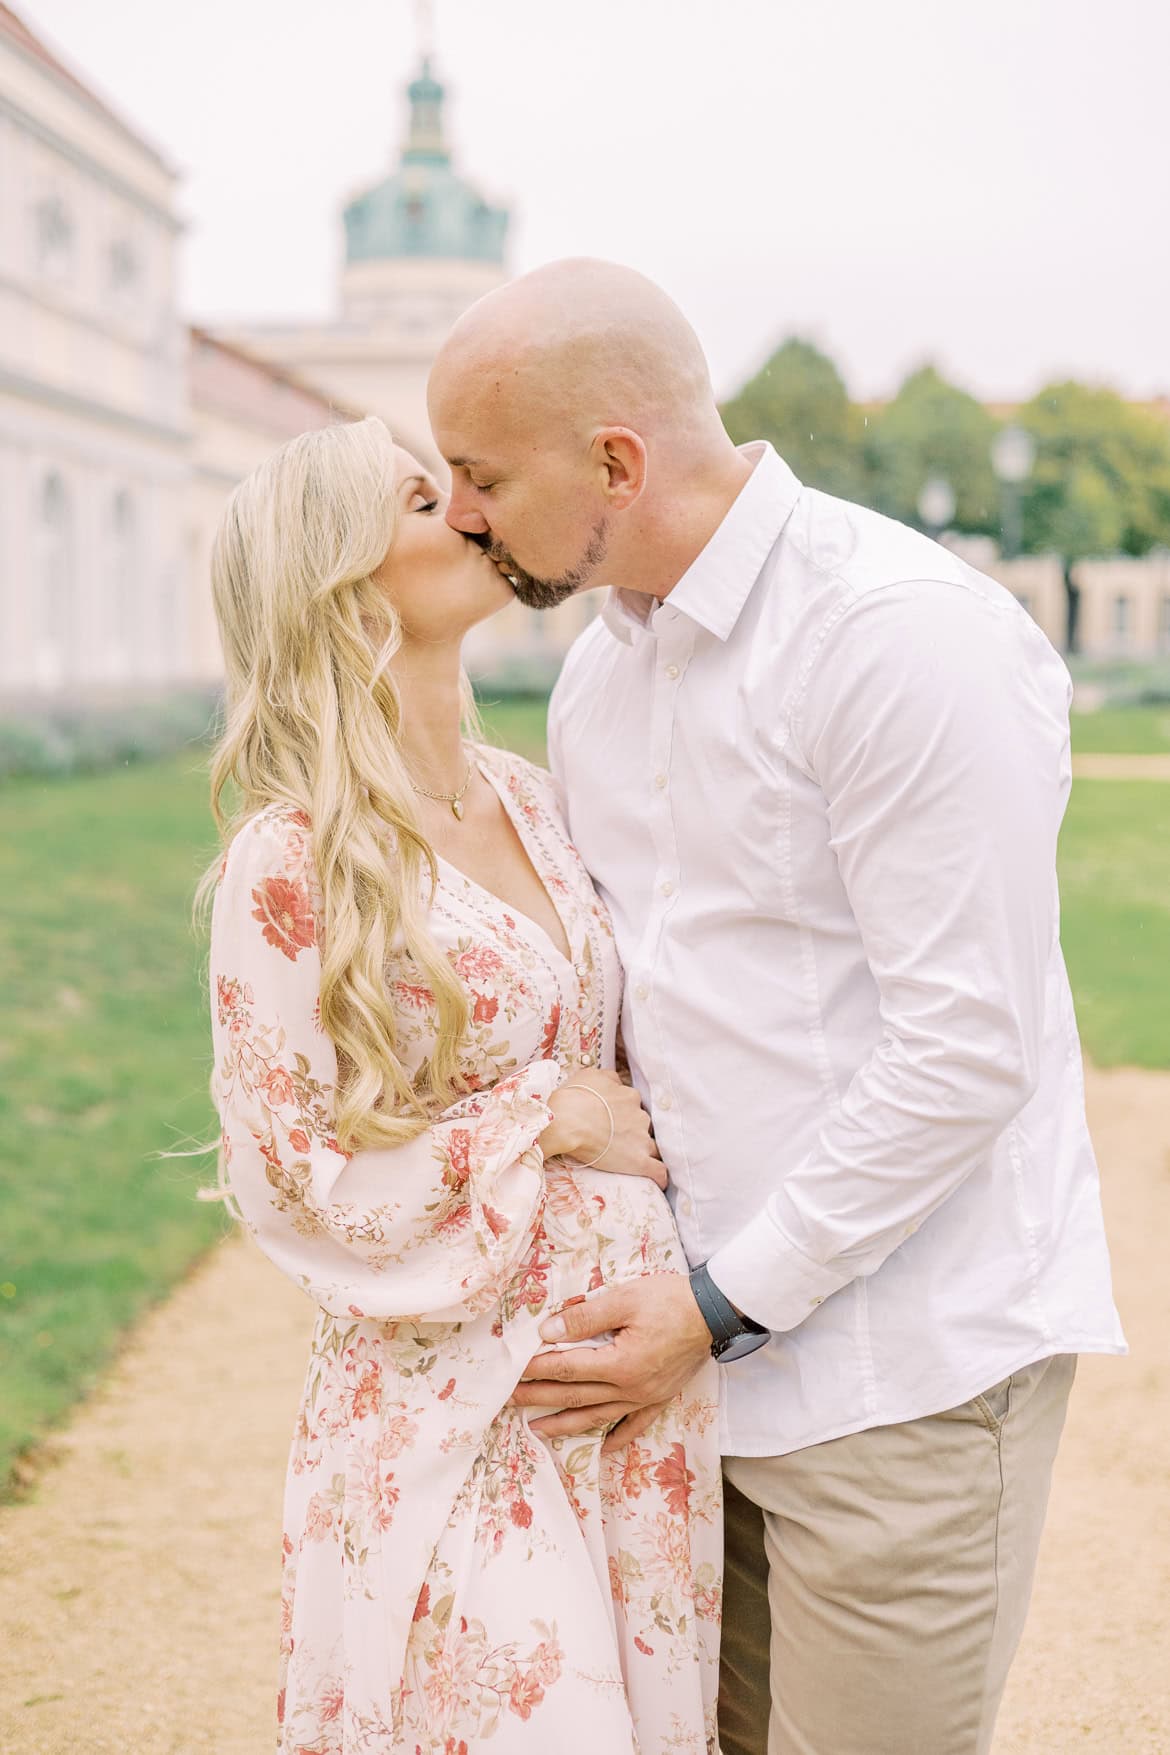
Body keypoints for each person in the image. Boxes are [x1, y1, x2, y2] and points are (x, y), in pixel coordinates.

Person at [427, 258, 1128, 1755]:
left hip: (900, 1372)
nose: (465, 515)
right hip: (679, 1383)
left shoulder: (895, 634)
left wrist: (715, 1302)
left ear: (614, 460)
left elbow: (965, 1045)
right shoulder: (591, 685)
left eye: (481, 476)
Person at [204, 415, 721, 1754]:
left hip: (629, 1396)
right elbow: (289, 1184)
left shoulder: (537, 802)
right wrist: (540, 1113)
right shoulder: (294, 860)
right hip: (450, 1407)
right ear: (338, 573)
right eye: (428, 501)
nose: (480, 514)